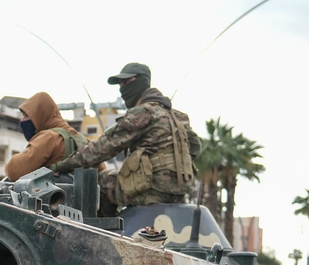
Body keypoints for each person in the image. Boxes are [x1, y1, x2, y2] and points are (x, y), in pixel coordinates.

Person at [51, 62, 201, 209]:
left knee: (101, 181)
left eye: (127, 81)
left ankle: (105, 231)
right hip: (181, 191)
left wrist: (61, 166)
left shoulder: (142, 113)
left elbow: (101, 150)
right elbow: (195, 148)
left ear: (143, 81)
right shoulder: (178, 117)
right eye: (120, 83)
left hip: (154, 190)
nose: (122, 87)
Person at [3, 92, 86, 181]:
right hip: (86, 193)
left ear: (41, 115)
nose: (22, 120)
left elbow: (14, 170)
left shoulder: (49, 137)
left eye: (27, 115)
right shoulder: (83, 140)